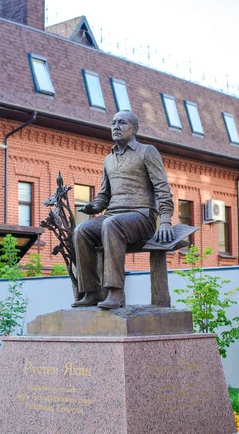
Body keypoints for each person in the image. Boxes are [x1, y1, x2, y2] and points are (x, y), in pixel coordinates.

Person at [72, 110, 174, 309]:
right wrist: (94, 206)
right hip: (114, 216)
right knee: (80, 231)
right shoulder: (108, 160)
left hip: (142, 217)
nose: (116, 127)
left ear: (135, 129)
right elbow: (104, 195)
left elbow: (163, 188)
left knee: (111, 224)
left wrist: (167, 220)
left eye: (122, 123)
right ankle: (92, 291)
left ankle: (116, 292)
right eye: (113, 123)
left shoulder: (147, 152)